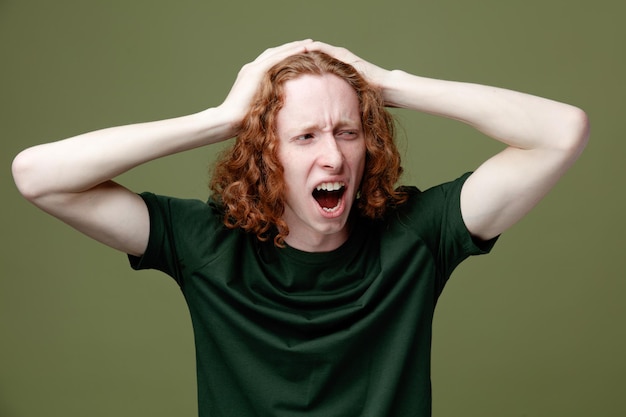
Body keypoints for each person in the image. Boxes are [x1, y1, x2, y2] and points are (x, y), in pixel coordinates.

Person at [12, 40, 589, 416]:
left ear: (369, 144)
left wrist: (391, 84)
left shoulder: (416, 235)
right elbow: (38, 176)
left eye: (347, 131)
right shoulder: (205, 245)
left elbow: (562, 131)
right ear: (267, 154)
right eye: (306, 136)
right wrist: (221, 119)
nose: (333, 157)